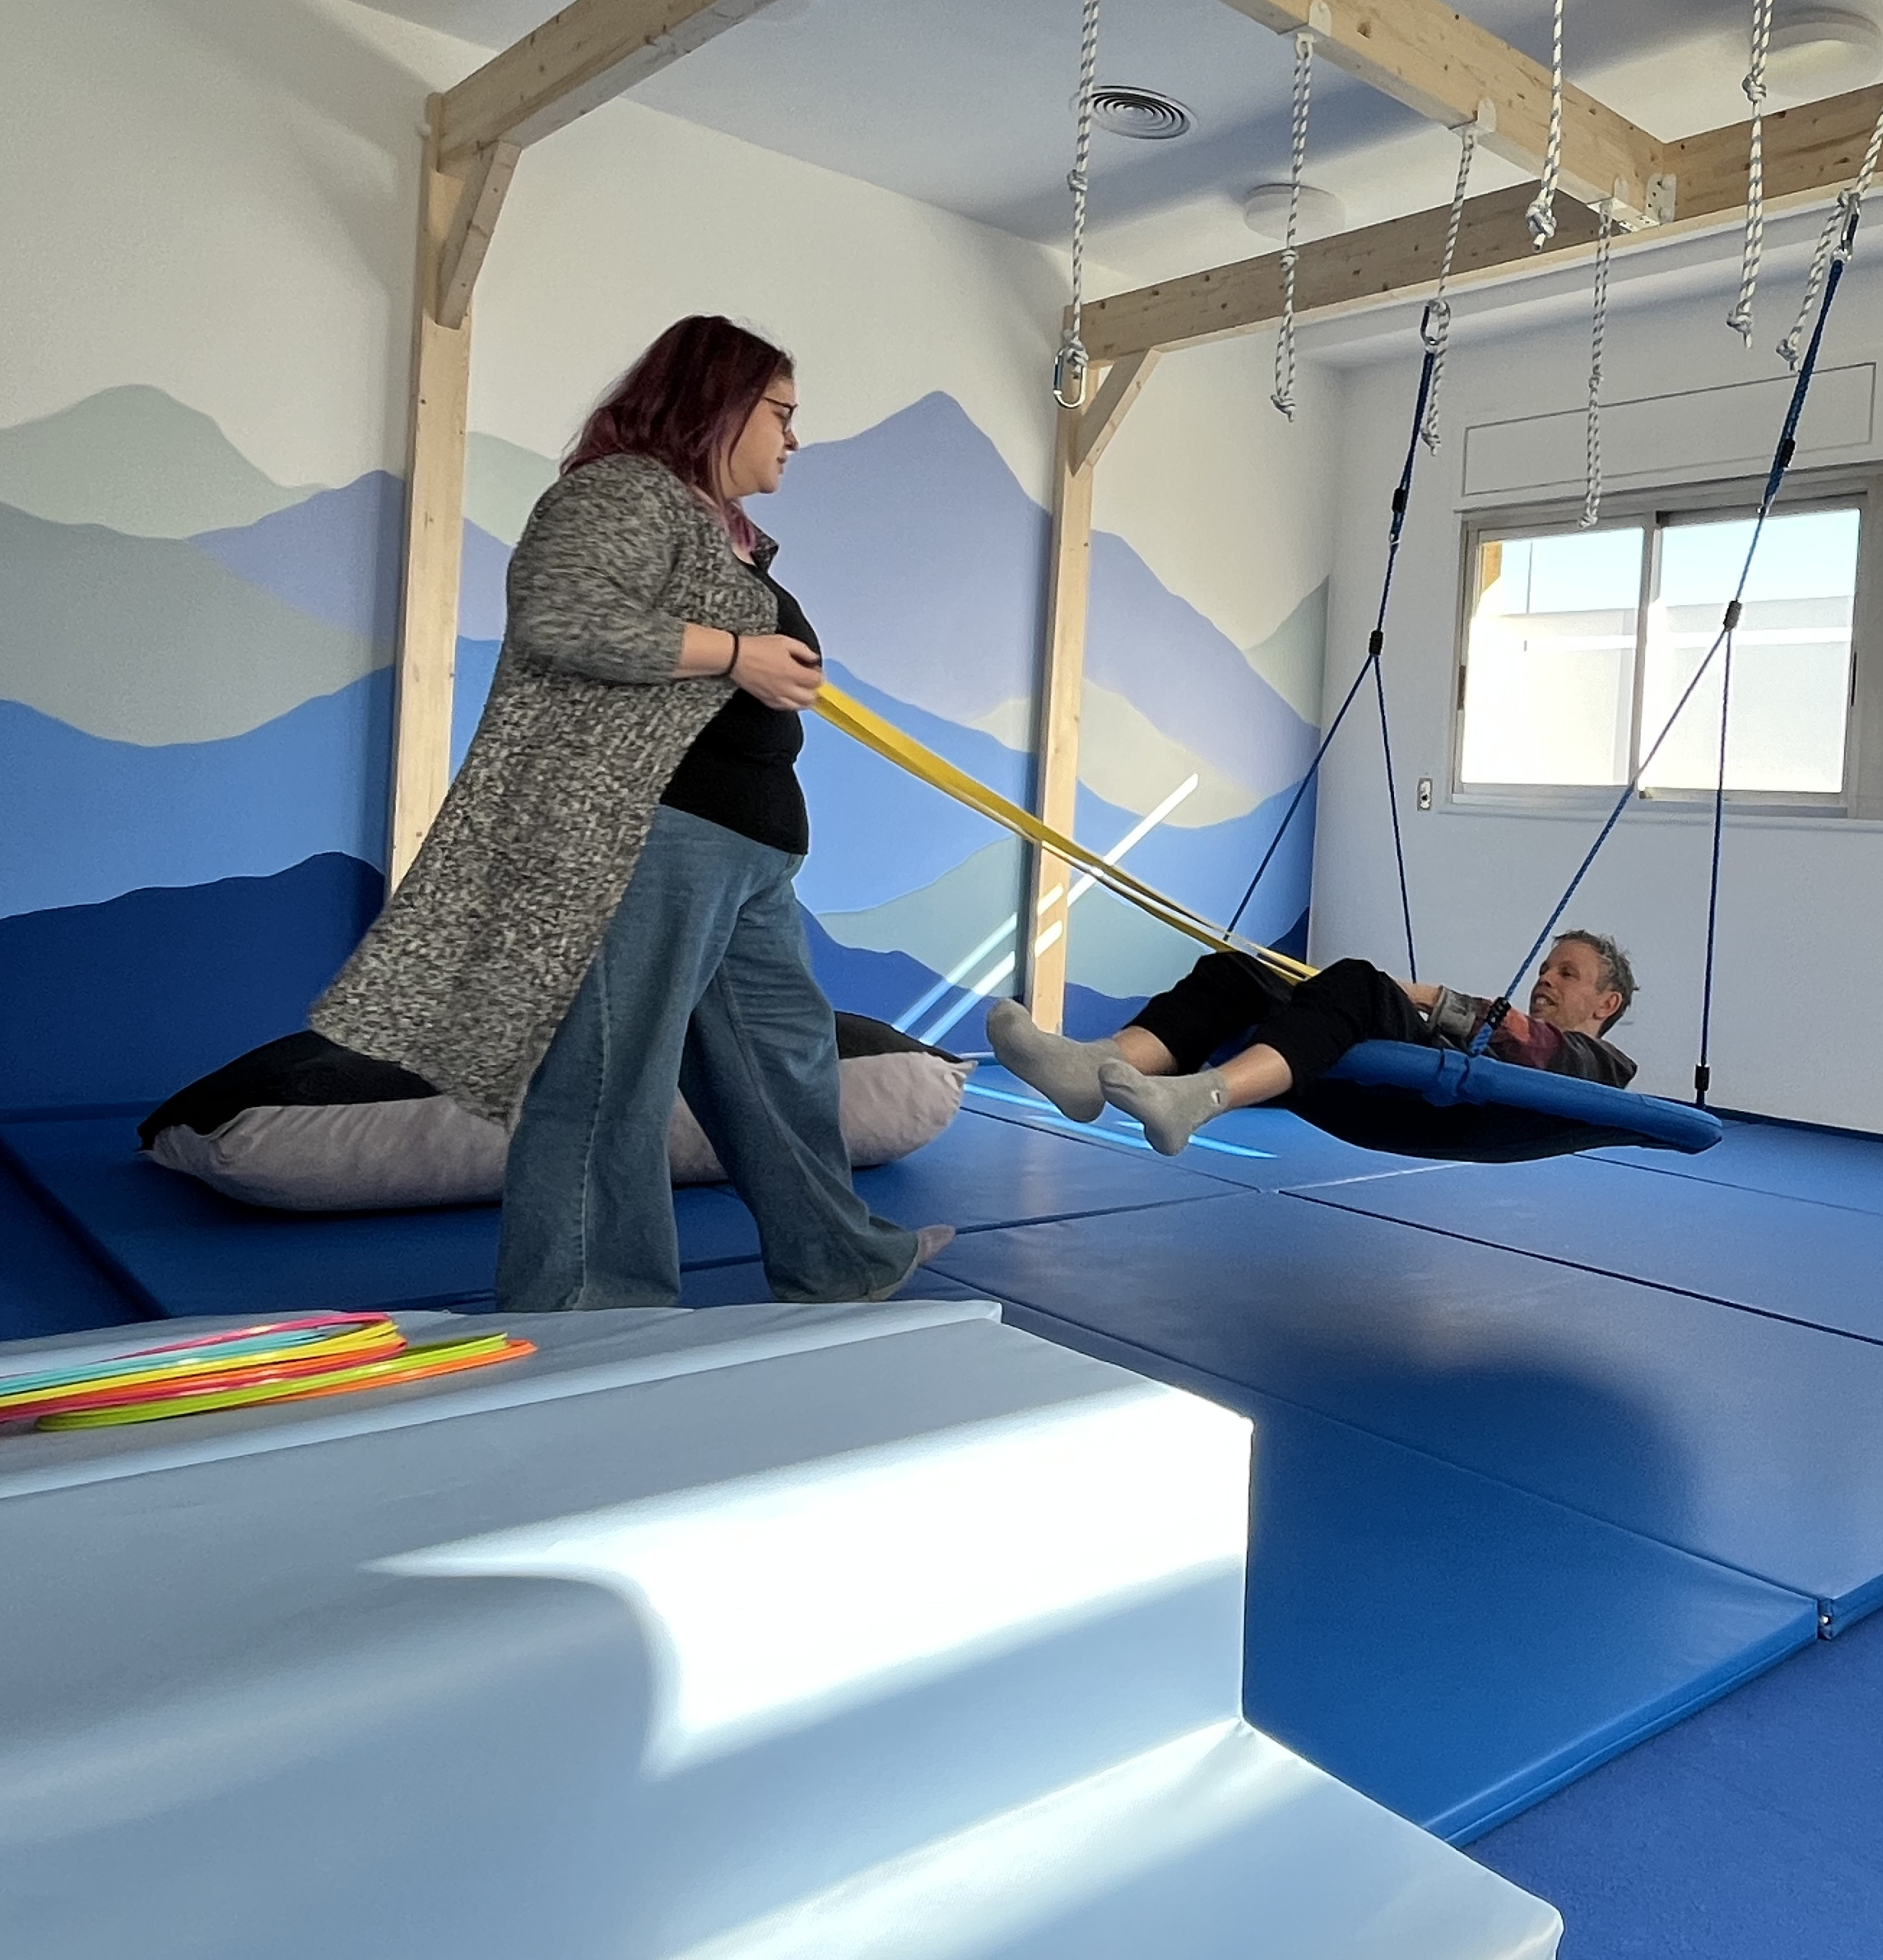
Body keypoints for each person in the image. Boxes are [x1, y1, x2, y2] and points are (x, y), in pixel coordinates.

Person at [312, 316, 949, 1309]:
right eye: (781, 413)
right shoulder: (622, 492)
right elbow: (561, 615)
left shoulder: (725, 536)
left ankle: (839, 1259)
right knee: (609, 1079)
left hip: (746, 859)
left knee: (782, 1067)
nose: (794, 438)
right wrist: (736, 654)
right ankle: (589, 1313)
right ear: (717, 404)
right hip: (648, 840)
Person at [984, 932, 1638, 1156]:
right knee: (1234, 975)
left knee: (1359, 983)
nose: (1546, 980)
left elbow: (1540, 1049)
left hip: (1451, 1107)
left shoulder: (1603, 1065)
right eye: (1546, 968)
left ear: (1606, 1004)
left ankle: (1202, 1097)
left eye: (1567, 974)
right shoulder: (1515, 1034)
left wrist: (1439, 998)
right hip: (1400, 1087)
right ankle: (1094, 1067)